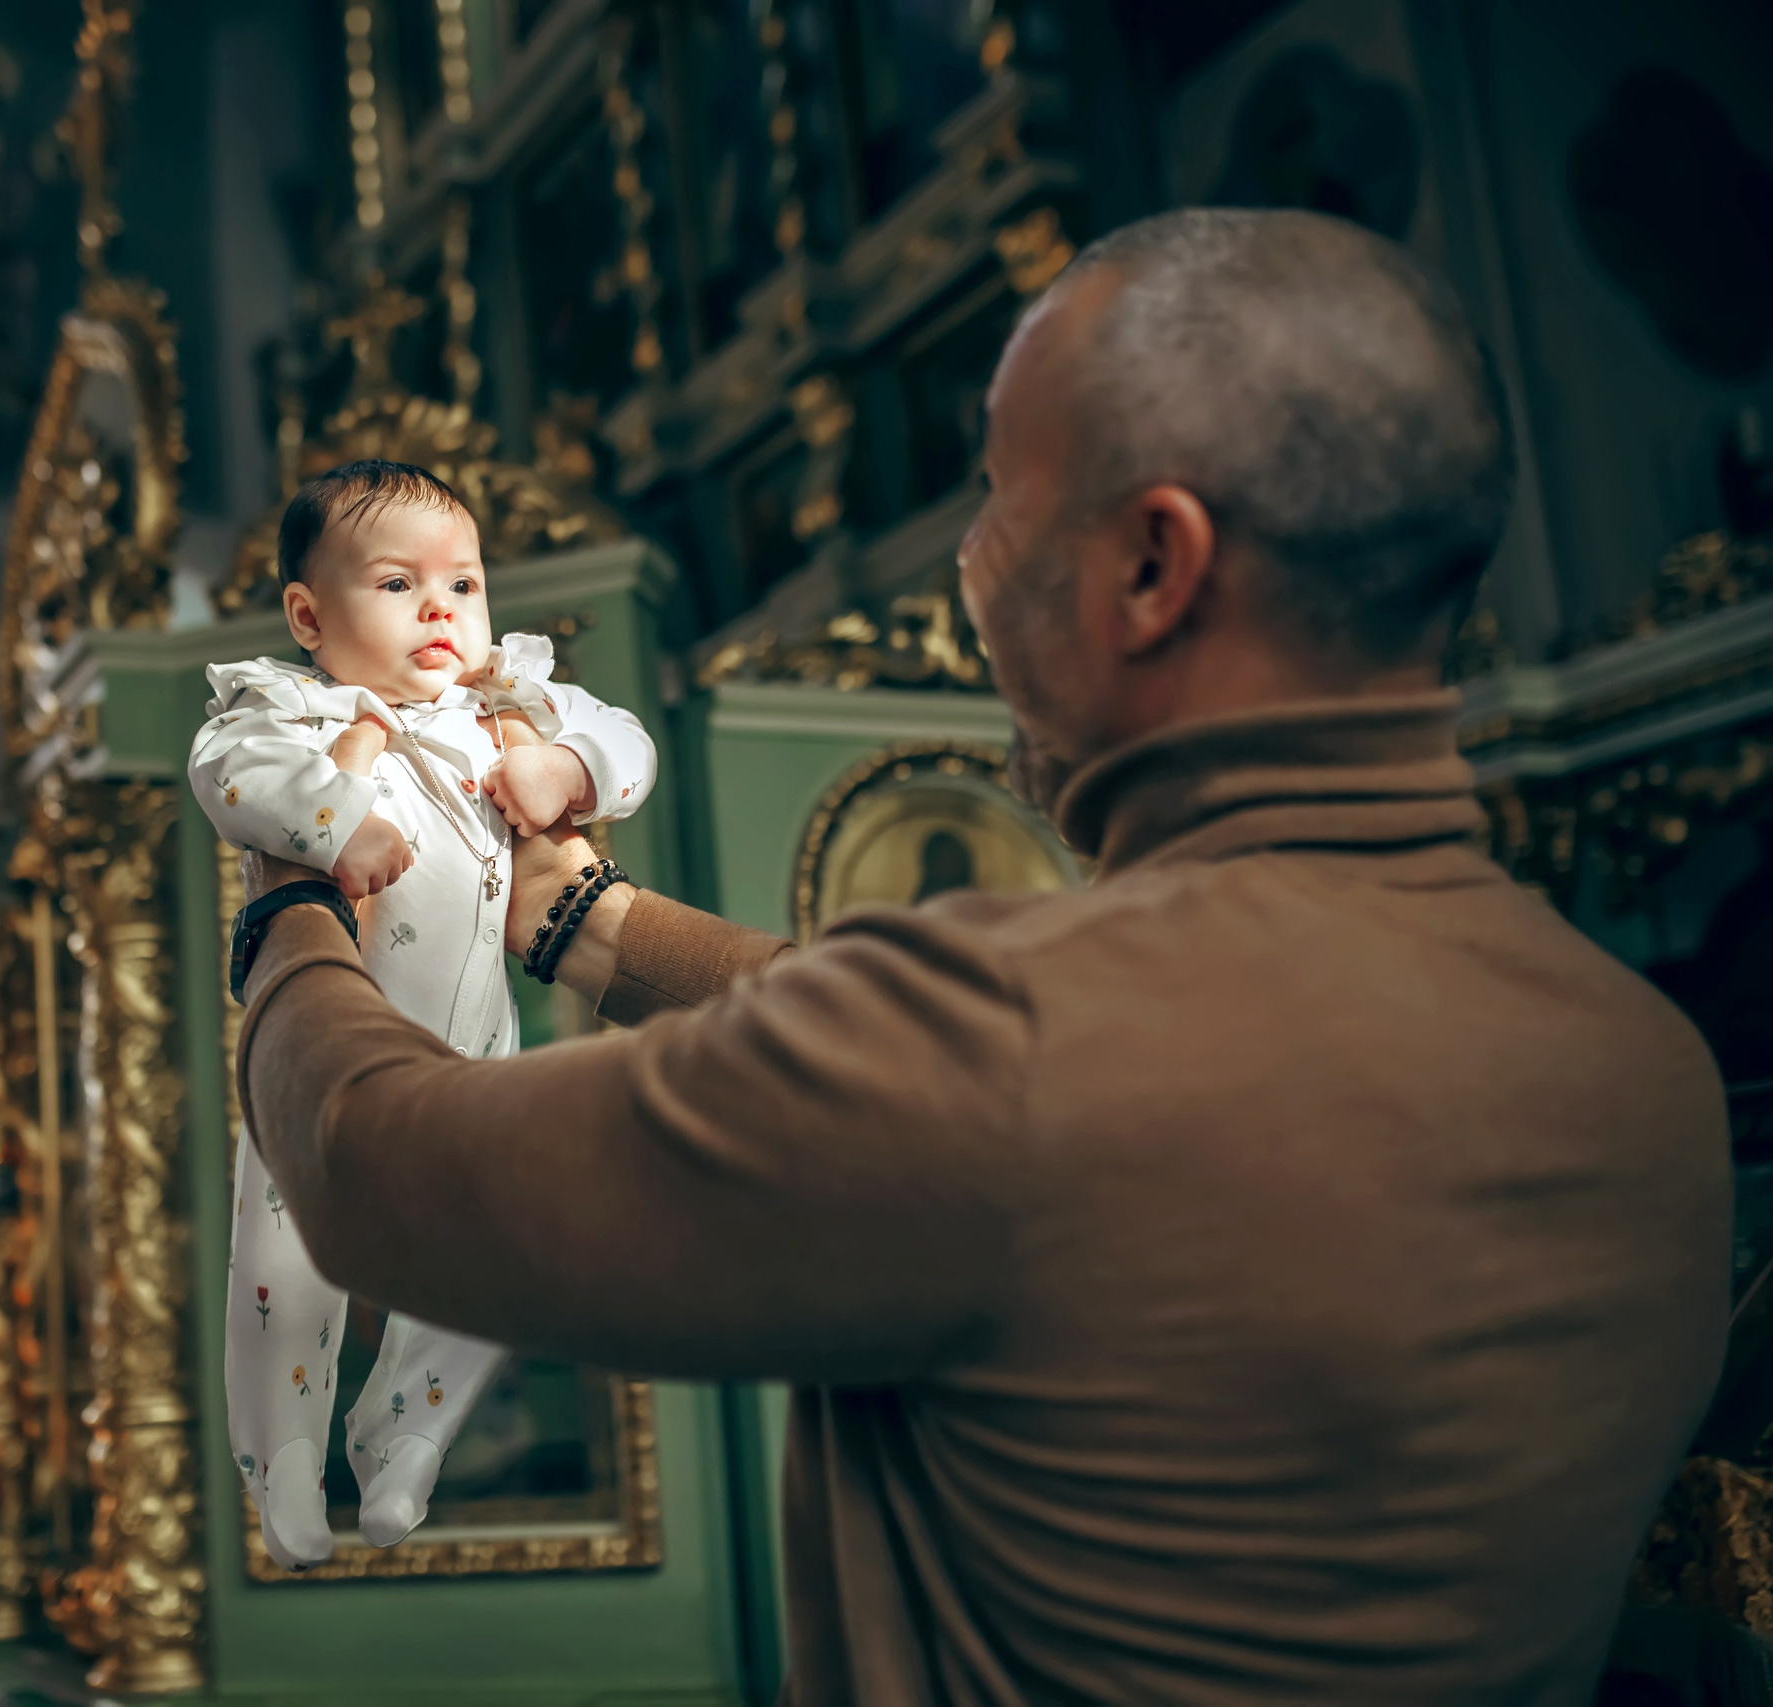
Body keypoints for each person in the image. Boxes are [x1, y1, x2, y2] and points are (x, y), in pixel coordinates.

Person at [223, 208, 1732, 1703]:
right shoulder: (1641, 1066)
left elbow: (367, 1167)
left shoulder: (995, 1036)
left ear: (1153, 565)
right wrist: (589, 922)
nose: (969, 562)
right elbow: (999, 1084)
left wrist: (289, 904)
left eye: (1000, 499)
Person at [191, 459, 658, 1570]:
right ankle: (283, 1458)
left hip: (474, 1048)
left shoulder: (509, 701)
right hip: (320, 1045)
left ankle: (406, 1433)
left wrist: (568, 771)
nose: (441, 609)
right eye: (398, 584)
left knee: (487, 1246)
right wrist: (334, 819)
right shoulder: (290, 708)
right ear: (310, 616)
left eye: (463, 584)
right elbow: (229, 774)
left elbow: (630, 744)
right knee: (285, 1256)